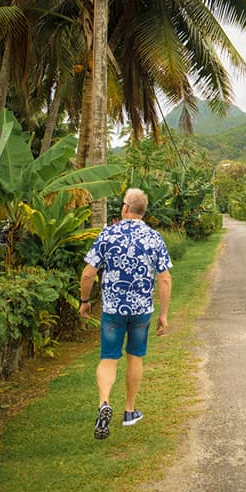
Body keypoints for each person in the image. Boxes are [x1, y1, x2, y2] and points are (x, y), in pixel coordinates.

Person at [79, 187, 172, 440]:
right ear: (143, 211)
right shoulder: (154, 238)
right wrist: (163, 314)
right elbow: (164, 279)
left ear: (124, 207)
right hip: (142, 311)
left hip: (112, 310)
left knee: (109, 358)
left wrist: (85, 301)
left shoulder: (108, 234)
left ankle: (104, 403)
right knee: (135, 357)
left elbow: (88, 273)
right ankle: (129, 411)